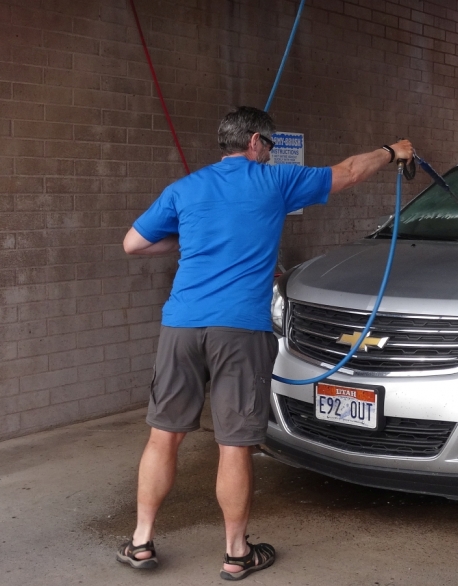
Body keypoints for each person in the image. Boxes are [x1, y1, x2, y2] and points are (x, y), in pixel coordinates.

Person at [116, 105, 413, 580]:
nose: (272, 154)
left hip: (182, 326)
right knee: (234, 444)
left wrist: (185, 242)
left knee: (163, 436)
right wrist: (391, 151)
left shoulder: (184, 189)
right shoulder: (274, 182)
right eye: (269, 146)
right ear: (255, 142)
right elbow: (350, 173)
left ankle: (141, 542)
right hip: (240, 329)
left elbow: (133, 244)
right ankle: (236, 554)